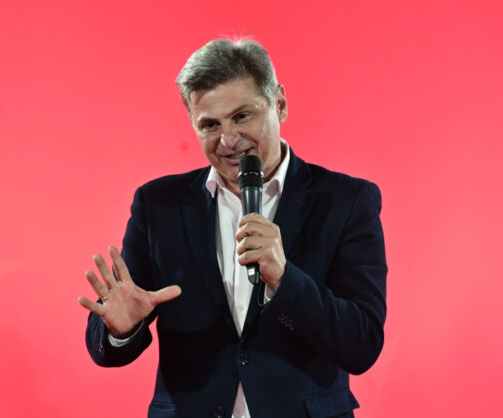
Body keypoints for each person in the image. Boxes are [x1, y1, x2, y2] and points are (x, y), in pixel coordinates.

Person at [78, 39, 387, 418]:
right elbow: (108, 343)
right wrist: (121, 331)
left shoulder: (346, 200)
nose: (228, 140)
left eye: (242, 116)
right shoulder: (158, 205)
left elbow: (362, 345)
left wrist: (285, 279)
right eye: (210, 124)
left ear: (280, 103)